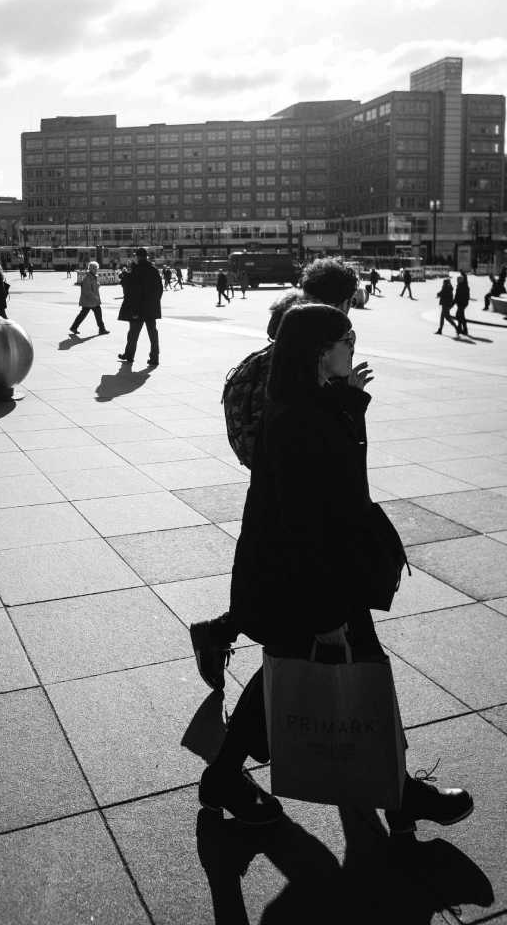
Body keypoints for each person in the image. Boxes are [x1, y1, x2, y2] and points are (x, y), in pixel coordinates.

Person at [197, 302, 474, 836]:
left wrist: (351, 402)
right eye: (347, 338)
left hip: (308, 577)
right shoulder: (301, 421)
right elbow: (307, 524)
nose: (354, 345)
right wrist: (326, 611)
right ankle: (398, 792)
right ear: (321, 354)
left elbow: (339, 485)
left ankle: (228, 778)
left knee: (285, 669)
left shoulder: (311, 404)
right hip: (312, 580)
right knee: (353, 669)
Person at [191, 258, 359, 684]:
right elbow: (313, 433)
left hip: (275, 473)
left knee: (272, 588)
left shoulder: (293, 317)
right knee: (290, 616)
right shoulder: (312, 334)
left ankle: (222, 634)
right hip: (290, 476)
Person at [117, 247, 163, 367]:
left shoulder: (136, 270)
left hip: (138, 308)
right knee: (153, 333)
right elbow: (159, 289)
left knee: (133, 333)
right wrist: (154, 303)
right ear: (146, 257)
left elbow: (131, 289)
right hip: (151, 308)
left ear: (137, 257)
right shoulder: (153, 270)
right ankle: (154, 358)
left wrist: (124, 276)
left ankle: (129, 355)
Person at [69, 261, 109, 336]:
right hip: (90, 300)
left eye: (97, 268)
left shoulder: (93, 276)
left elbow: (94, 287)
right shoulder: (88, 278)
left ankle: (74, 327)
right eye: (95, 268)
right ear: (91, 269)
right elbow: (87, 290)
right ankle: (102, 329)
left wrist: (97, 286)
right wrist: (95, 297)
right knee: (95, 314)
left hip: (92, 301)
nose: (97, 270)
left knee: (84, 314)